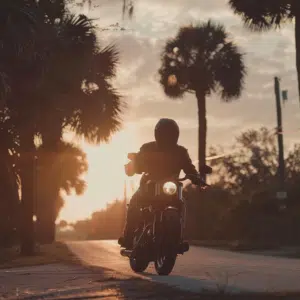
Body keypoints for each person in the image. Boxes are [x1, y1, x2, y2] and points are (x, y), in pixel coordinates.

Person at [118, 118, 206, 249]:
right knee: (135, 204)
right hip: (149, 184)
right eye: (165, 134)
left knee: (181, 204)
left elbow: (189, 167)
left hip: (170, 186)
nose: (167, 137)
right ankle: (128, 237)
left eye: (170, 134)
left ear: (175, 135)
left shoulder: (181, 152)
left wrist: (197, 178)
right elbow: (138, 161)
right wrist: (132, 167)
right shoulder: (147, 148)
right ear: (158, 134)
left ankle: (179, 239)